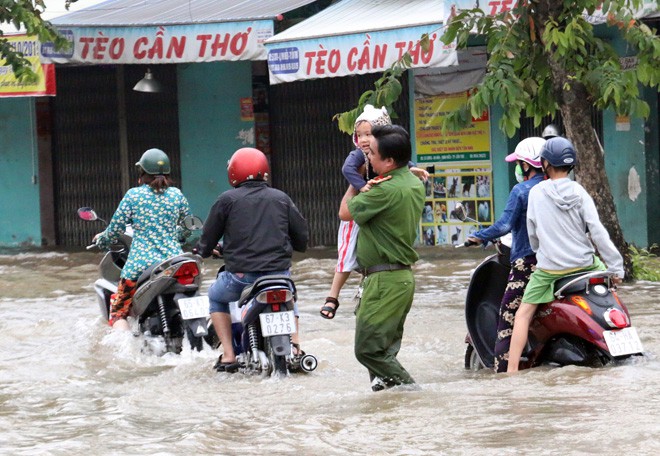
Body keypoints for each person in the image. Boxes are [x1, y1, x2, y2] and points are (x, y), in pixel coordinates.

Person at [507, 137, 624, 373]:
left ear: (545, 163)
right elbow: (598, 233)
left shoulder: (537, 194)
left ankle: (511, 373)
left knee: (522, 314)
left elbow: (533, 237)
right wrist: (616, 269)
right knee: (610, 288)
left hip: (551, 271)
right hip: (587, 264)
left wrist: (546, 255)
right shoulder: (580, 192)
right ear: (571, 165)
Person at [194, 147, 309, 372]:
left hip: (241, 279)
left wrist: (203, 250)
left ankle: (228, 355)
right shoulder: (281, 198)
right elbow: (302, 237)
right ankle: (295, 347)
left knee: (215, 297)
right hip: (279, 275)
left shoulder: (226, 200)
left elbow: (207, 239)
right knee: (290, 298)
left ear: (234, 172)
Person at [320, 105, 428, 319]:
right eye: (359, 135)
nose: (364, 140)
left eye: (369, 134)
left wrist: (411, 170)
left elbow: (403, 163)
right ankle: (333, 296)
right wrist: (360, 186)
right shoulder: (358, 157)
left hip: (375, 212)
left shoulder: (398, 177)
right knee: (346, 253)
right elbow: (346, 178)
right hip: (362, 204)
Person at [338, 124, 425, 391]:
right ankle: (393, 411)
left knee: (368, 352)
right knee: (385, 355)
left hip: (384, 281)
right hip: (399, 279)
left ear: (389, 161)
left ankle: (413, 394)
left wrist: (356, 183)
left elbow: (344, 213)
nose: (368, 158)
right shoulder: (412, 181)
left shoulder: (382, 190)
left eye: (372, 154)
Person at [466, 136, 546, 373]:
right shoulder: (558, 187)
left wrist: (479, 236)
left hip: (528, 262)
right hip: (560, 262)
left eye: (519, 163)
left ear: (527, 165)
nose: (517, 168)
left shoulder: (521, 190)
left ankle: (504, 372)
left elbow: (503, 226)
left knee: (508, 316)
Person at [94, 148, 191, 330]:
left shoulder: (133, 196)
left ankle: (122, 353)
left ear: (142, 173)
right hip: (174, 263)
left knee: (117, 312)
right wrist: (175, 237)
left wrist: (102, 240)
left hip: (140, 265)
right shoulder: (177, 195)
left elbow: (115, 229)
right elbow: (188, 227)